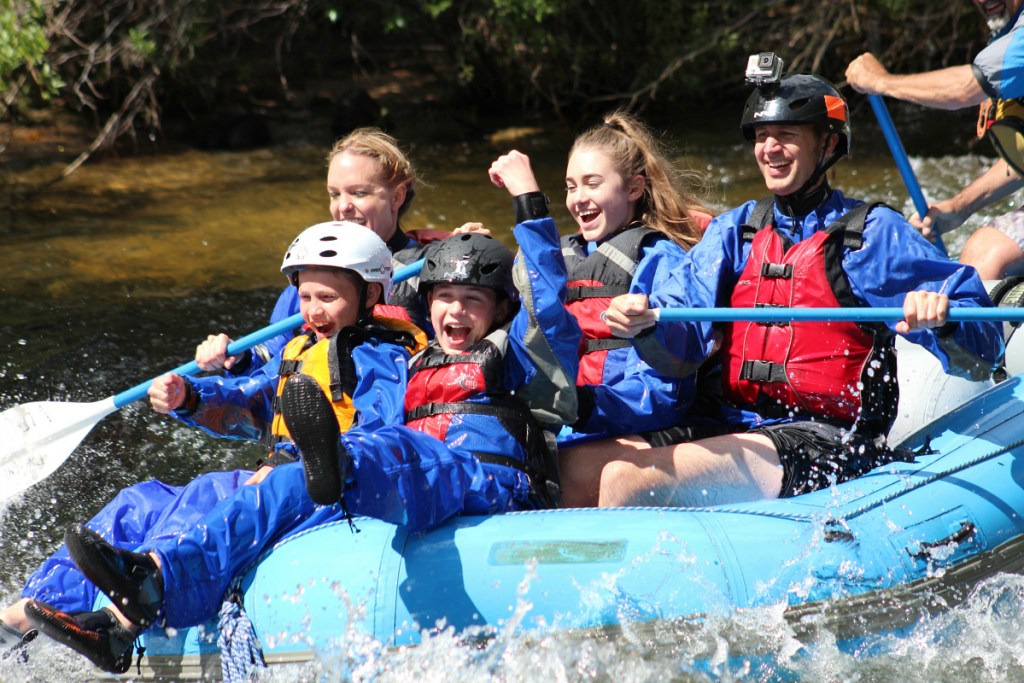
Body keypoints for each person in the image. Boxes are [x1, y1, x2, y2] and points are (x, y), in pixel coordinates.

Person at [25, 220, 580, 671]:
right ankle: (42, 613)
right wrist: (197, 395)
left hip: (476, 477)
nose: (455, 313)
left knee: (376, 452)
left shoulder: (512, 356)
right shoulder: (412, 353)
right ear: (426, 301)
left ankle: (314, 473)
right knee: (150, 497)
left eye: (471, 300)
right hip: (400, 474)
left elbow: (551, 311)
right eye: (444, 299)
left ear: (502, 308)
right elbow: (250, 403)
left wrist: (527, 204)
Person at [593, 67, 1003, 508]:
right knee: (576, 471)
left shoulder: (871, 236)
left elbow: (983, 348)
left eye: (785, 134)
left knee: (623, 481)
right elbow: (682, 337)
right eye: (760, 136)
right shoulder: (738, 231)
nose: (769, 149)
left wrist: (941, 320)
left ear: (826, 144)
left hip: (827, 440)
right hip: (735, 424)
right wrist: (646, 322)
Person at [487, 112, 722, 507]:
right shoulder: (560, 255)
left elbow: (663, 391)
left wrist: (586, 406)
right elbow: (538, 326)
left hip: (638, 424)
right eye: (570, 186)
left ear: (634, 188)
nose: (578, 198)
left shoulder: (659, 257)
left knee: (556, 470)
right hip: (573, 422)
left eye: (592, 183)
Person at [204, 127, 433, 377]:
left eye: (359, 193)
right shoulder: (309, 279)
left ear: (397, 196)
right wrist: (239, 358)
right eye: (334, 194)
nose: (343, 206)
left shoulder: (430, 268)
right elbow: (271, 359)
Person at [845, 0, 1024, 280]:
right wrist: (960, 206)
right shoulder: (1006, 33)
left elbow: (965, 89)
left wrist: (881, 82)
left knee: (985, 253)